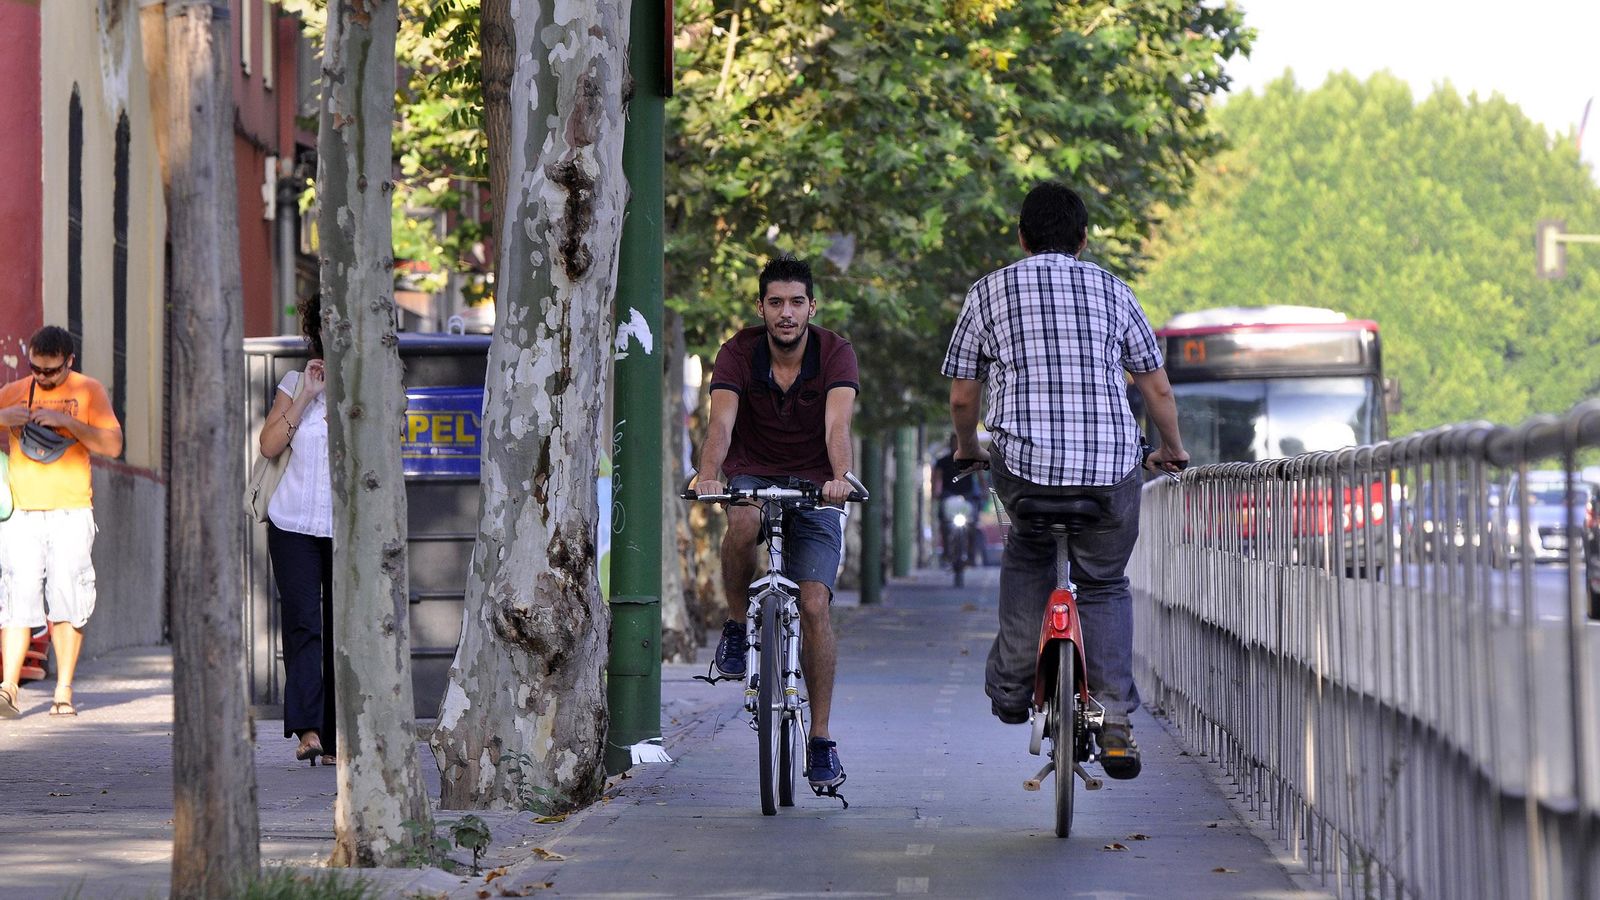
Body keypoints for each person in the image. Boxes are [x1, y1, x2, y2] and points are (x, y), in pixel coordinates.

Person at [940, 182, 1188, 780]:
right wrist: (1171, 449)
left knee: (1028, 554)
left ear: (1022, 238)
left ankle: (1008, 688)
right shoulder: (1114, 290)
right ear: (1083, 239)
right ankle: (1118, 726)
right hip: (1109, 470)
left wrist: (969, 448)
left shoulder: (989, 291)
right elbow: (1154, 387)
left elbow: (962, 394)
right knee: (1102, 584)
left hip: (1024, 472)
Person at [695, 255, 859, 793]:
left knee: (814, 604)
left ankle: (821, 740)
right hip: (751, 477)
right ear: (761, 308)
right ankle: (740, 626)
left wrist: (840, 477)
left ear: (812, 307)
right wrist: (707, 474)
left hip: (817, 484)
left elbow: (838, 425)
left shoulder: (835, 352)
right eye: (775, 303)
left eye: (796, 303)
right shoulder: (737, 352)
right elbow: (721, 422)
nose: (785, 314)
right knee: (740, 525)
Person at [0, 325, 124, 719]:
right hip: (22, 511)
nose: (42, 377)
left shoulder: (89, 391)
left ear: (69, 362)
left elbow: (113, 445)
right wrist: (5, 415)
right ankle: (9, 687)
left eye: (51, 371)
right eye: (36, 369)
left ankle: (63, 690)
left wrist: (66, 422)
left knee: (69, 599)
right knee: (17, 600)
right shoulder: (16, 390)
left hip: (71, 510)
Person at [259, 298, 337, 766]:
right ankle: (309, 732)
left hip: (345, 530)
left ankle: (337, 733)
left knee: (341, 627)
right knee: (304, 623)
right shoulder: (293, 383)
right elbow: (269, 444)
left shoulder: (372, 384)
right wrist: (308, 394)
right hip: (293, 525)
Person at [931, 433, 987, 566]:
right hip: (948, 497)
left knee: (972, 524)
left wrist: (983, 491)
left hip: (967, 497)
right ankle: (946, 552)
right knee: (944, 522)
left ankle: (971, 554)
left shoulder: (971, 460)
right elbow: (936, 480)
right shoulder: (942, 461)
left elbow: (980, 478)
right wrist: (936, 493)